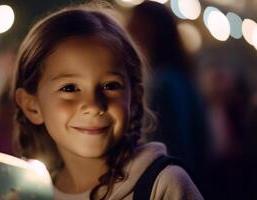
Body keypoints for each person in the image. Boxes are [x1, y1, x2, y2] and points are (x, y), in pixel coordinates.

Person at [11, 2, 203, 199]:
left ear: (134, 97)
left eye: (110, 86)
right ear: (31, 106)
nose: (94, 106)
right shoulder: (29, 194)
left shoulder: (163, 185)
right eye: (69, 88)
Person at [127, 1, 211, 183]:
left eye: (136, 27)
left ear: (155, 32)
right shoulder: (180, 77)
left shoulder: (164, 82)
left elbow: (177, 144)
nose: (129, 35)